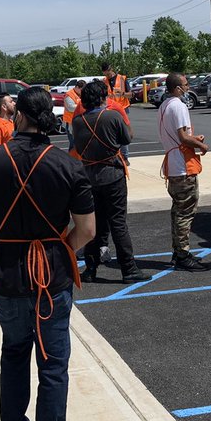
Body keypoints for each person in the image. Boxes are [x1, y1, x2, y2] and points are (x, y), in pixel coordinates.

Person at [0, 87, 96, 421]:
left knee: (14, 353)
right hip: (51, 275)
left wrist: (0, 249)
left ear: (18, 115)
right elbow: (86, 229)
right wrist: (59, 250)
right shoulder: (67, 165)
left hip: (7, 272)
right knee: (53, 363)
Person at [71, 79, 148, 283]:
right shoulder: (112, 115)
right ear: (102, 98)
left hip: (89, 177)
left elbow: (78, 149)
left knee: (94, 224)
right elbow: (127, 138)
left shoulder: (78, 121)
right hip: (112, 175)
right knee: (118, 224)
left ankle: (90, 268)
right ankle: (129, 269)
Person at [157, 73, 209, 271]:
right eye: (185, 85)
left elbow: (177, 136)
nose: (188, 88)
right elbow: (182, 137)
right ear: (177, 88)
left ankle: (178, 250)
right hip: (182, 166)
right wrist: (200, 145)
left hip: (174, 163)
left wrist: (193, 138)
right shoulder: (178, 106)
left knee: (178, 211)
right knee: (185, 212)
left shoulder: (164, 106)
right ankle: (182, 254)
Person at [101, 62, 131, 160]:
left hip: (122, 108)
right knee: (111, 132)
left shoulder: (122, 79)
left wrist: (122, 93)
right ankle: (114, 154)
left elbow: (130, 95)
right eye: (105, 74)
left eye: (108, 73)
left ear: (111, 69)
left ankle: (124, 156)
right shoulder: (104, 82)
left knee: (123, 131)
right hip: (110, 109)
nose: (107, 76)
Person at [62, 80, 85, 151]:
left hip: (78, 122)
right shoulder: (69, 95)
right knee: (73, 144)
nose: (82, 91)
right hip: (70, 123)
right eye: (81, 89)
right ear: (77, 87)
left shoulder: (81, 94)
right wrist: (84, 105)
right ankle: (71, 159)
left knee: (80, 143)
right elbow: (70, 107)